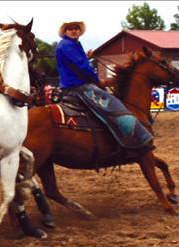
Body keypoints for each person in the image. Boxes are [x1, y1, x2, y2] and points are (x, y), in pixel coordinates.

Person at [55, 20, 153, 151]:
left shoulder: (71, 44)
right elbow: (82, 67)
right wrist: (97, 81)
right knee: (114, 105)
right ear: (65, 31)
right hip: (78, 87)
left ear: (80, 31)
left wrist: (86, 57)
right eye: (70, 28)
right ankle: (137, 138)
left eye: (76, 28)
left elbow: (76, 63)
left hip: (74, 85)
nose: (74, 31)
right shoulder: (68, 45)